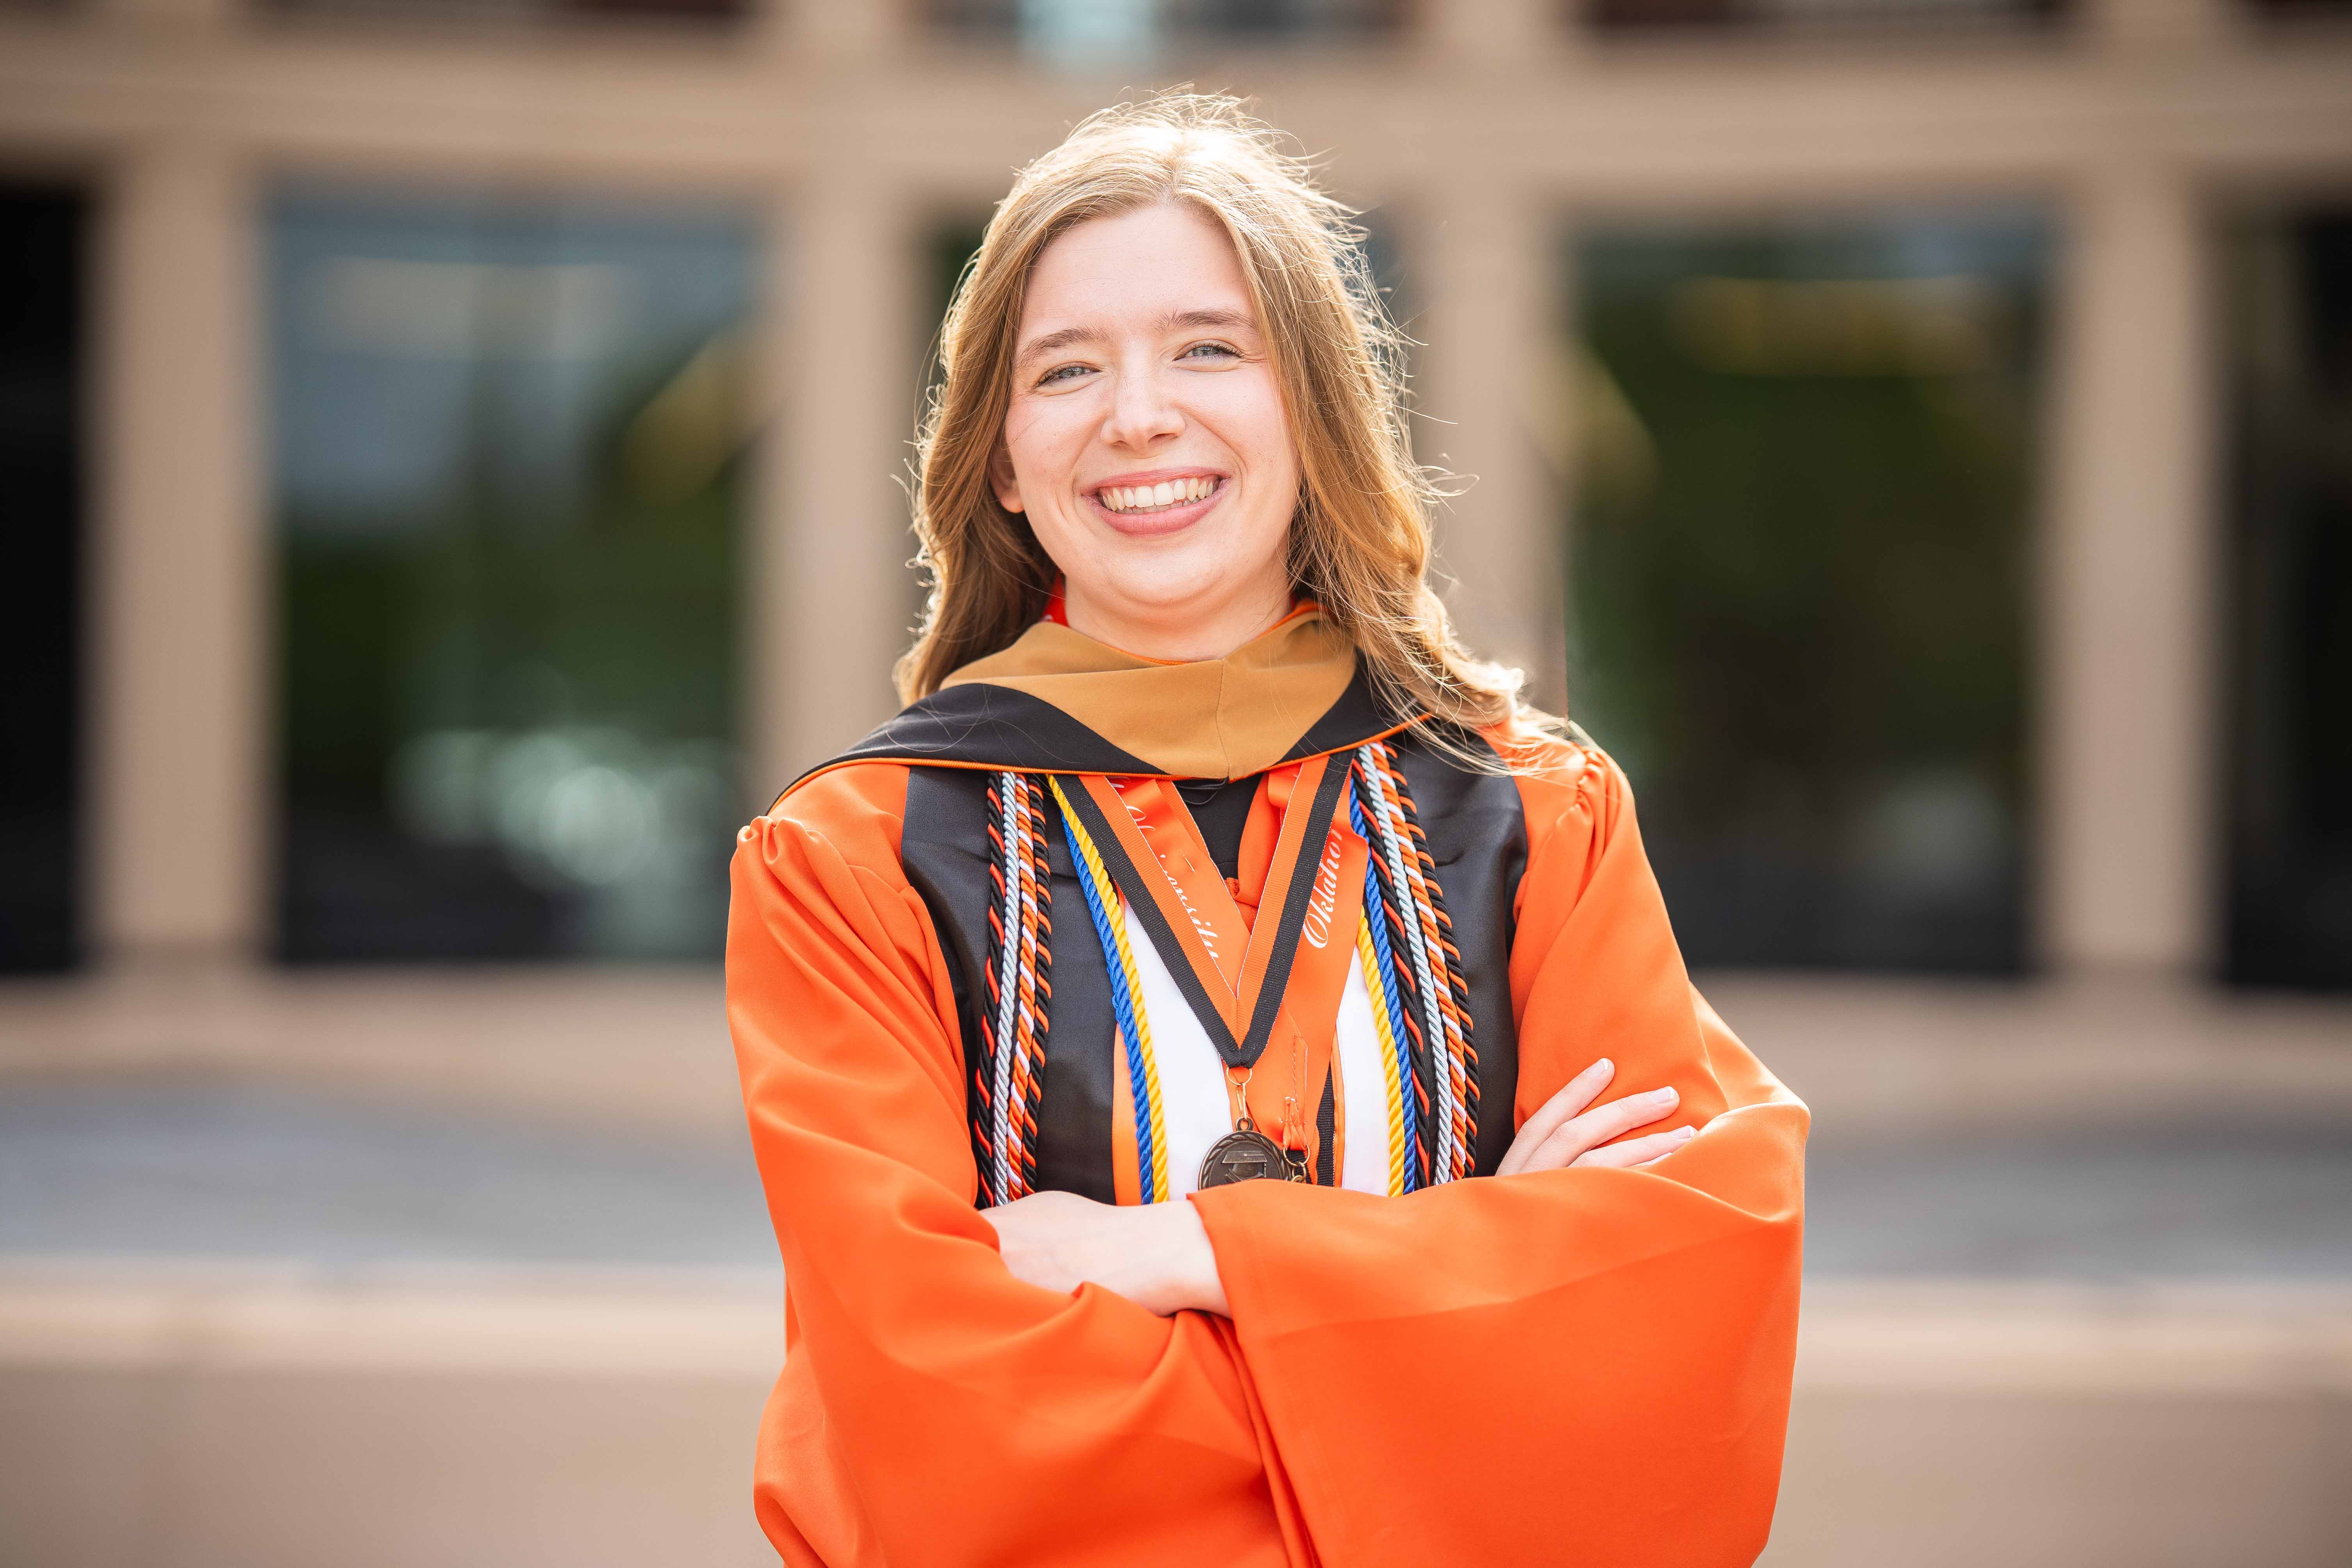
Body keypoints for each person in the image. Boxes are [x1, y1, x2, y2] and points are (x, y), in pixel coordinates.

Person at [726, 93, 1807, 1568]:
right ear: (999, 456)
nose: (1139, 415)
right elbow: (924, 1413)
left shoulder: (1535, 817)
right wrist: (1482, 1288)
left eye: (1210, 348)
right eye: (1067, 370)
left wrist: (1180, 1255)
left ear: (1314, 406)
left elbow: (1683, 1308)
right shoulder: (857, 859)